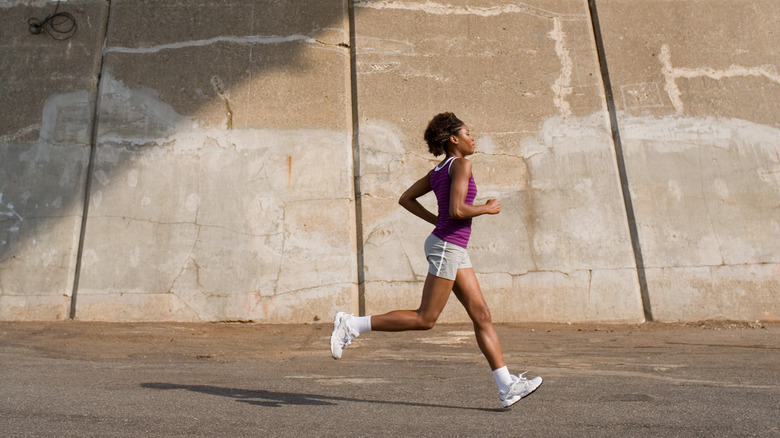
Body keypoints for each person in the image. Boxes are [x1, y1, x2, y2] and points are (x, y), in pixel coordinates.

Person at [330, 112, 542, 408]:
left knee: (481, 315)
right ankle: (352, 324)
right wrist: (486, 208)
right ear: (453, 139)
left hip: (451, 245)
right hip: (447, 247)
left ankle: (507, 385)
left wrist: (436, 221)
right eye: (468, 133)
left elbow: (406, 199)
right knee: (425, 319)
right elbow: (457, 210)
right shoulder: (462, 165)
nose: (473, 137)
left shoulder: (440, 169)